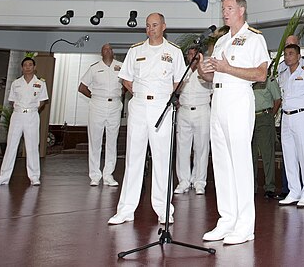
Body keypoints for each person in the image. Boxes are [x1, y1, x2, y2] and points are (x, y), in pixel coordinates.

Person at [198, 0, 271, 246]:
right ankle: (227, 219)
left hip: (239, 100)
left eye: (229, 8)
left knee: (240, 163)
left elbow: (261, 74)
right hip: (217, 99)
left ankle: (244, 225)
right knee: (221, 164)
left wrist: (228, 69)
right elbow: (211, 76)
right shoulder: (220, 42)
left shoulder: (254, 38)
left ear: (241, 10)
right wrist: (202, 71)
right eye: (223, 8)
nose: (224, 12)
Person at [108, 13, 184, 226]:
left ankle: (164, 210)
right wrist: (141, 93)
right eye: (148, 25)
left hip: (162, 107)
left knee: (162, 160)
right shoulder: (135, 50)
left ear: (164, 27)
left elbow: (179, 81)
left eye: (155, 25)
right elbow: (125, 78)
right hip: (139, 106)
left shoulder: (174, 52)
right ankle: (125, 210)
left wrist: (164, 97)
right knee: (134, 159)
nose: (151, 29)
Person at [277, 39, 304, 207]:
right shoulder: (284, 73)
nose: (288, 58)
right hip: (286, 117)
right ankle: (294, 190)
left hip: (302, 116)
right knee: (289, 156)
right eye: (286, 55)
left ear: (298, 56)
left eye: (291, 54)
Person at [0, 56, 49, 186]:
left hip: (32, 115)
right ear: (22, 68)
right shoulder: (16, 83)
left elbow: (42, 101)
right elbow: (12, 100)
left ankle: (34, 177)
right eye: (25, 65)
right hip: (17, 116)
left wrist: (31, 109)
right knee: (11, 145)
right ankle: (3, 177)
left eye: (30, 65)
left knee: (32, 146)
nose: (28, 67)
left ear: (34, 67)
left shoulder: (41, 83)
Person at [77, 43, 123, 187]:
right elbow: (82, 87)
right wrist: (95, 97)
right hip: (97, 105)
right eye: (105, 49)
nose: (108, 51)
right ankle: (95, 175)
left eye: (110, 49)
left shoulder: (121, 66)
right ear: (101, 53)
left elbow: (127, 85)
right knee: (95, 141)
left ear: (113, 52)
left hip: (115, 106)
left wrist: (119, 96)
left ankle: (108, 175)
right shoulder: (94, 68)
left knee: (112, 141)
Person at [175, 45, 213, 195]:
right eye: (190, 54)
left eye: (195, 54)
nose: (193, 57)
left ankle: (199, 182)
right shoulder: (182, 71)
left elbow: (213, 91)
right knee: (182, 148)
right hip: (184, 111)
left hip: (202, 110)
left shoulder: (207, 71)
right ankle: (183, 181)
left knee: (201, 148)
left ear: (200, 56)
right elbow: (176, 90)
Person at [252, 69, 281, 200]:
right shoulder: (248, 79)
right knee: (249, 156)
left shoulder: (269, 79)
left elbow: (277, 99)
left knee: (267, 154)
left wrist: (270, 115)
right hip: (249, 119)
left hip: (264, 117)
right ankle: (251, 186)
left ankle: (269, 187)